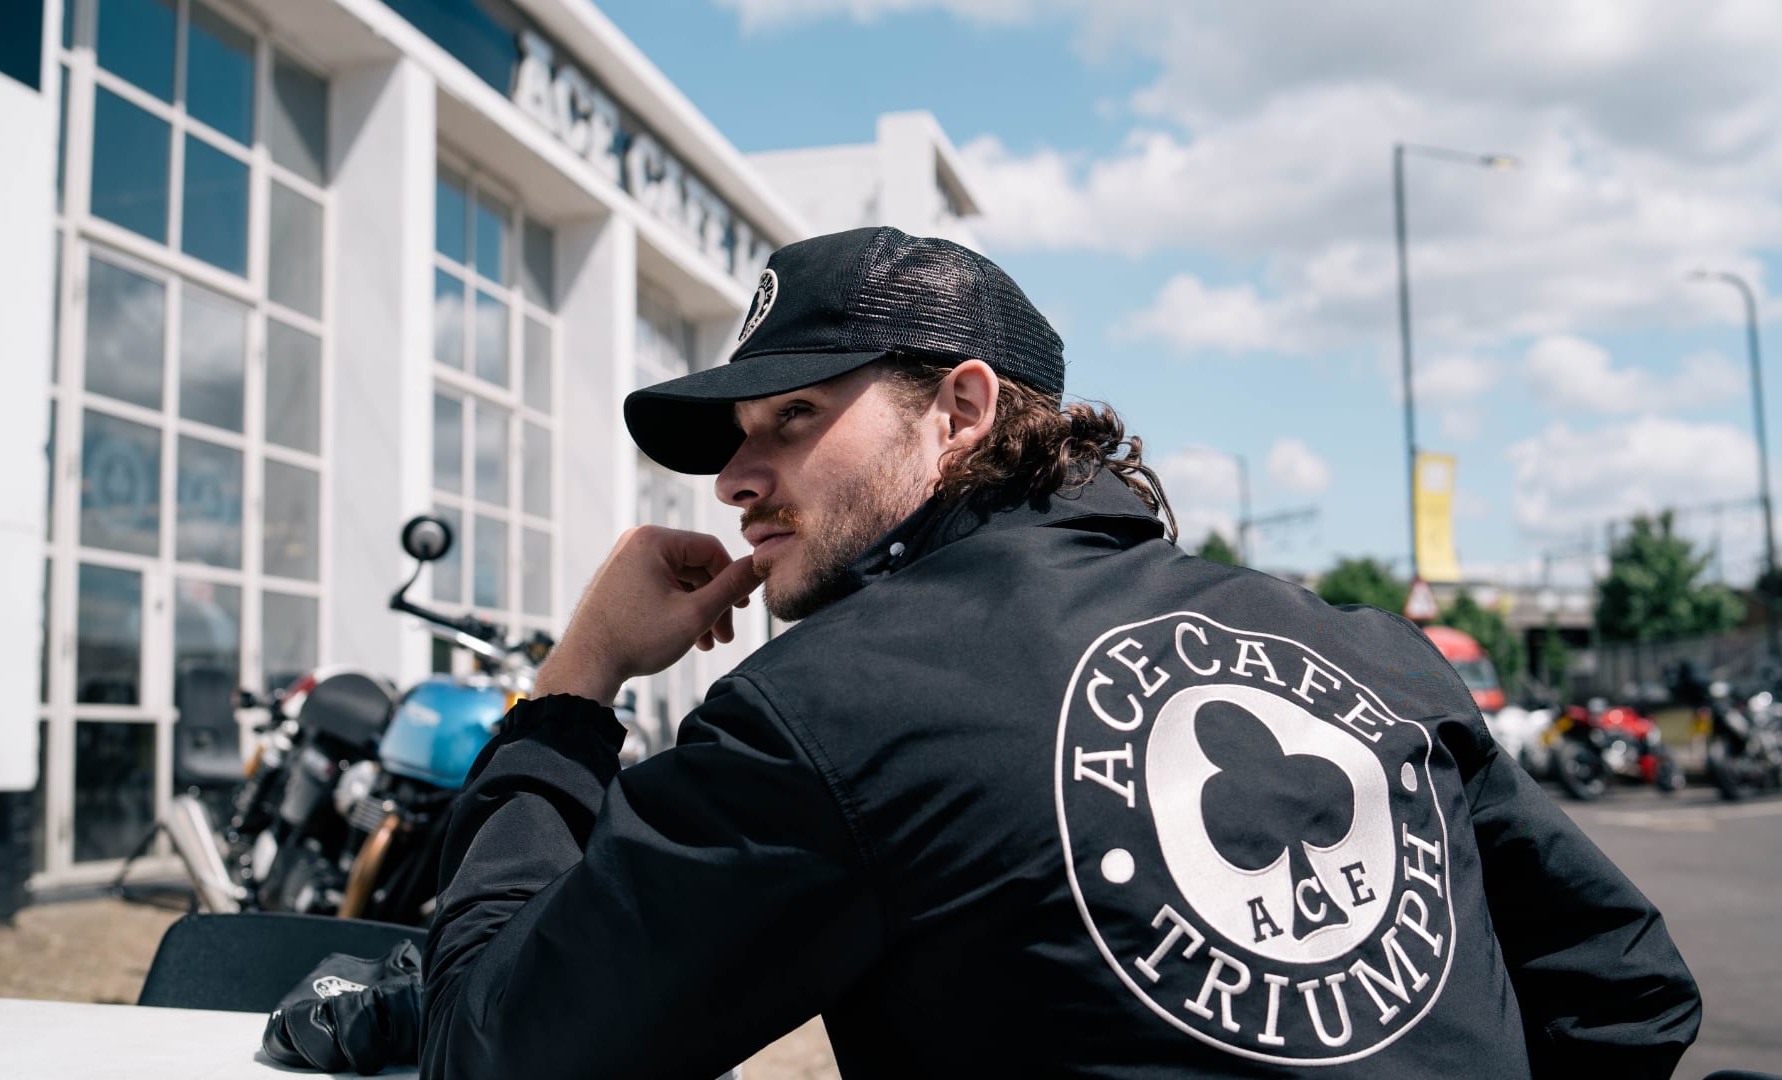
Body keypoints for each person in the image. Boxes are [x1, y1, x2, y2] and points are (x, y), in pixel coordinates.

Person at [421, 227, 1700, 1078]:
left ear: (962, 409)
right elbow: (1624, 990)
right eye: (739, 436)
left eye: (795, 419)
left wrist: (572, 683)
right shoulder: (1364, 648)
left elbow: (500, 1049)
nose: (739, 482)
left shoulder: (823, 713)